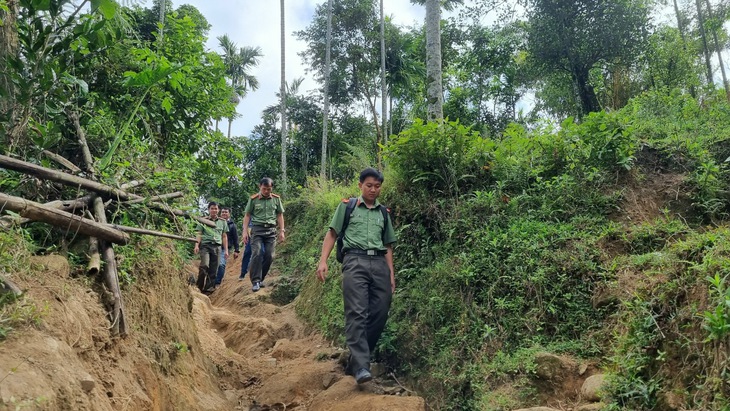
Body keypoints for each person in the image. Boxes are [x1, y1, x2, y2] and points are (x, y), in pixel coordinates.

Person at [316, 168, 396, 385]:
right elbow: (332, 233)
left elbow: (388, 245)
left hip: (379, 263)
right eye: (369, 185)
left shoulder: (383, 213)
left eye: (377, 186)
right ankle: (362, 366)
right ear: (360, 185)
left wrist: (391, 274)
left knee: (380, 311)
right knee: (357, 312)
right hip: (355, 261)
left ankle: (356, 359)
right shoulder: (347, 206)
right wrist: (323, 261)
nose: (373, 189)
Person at [242, 177, 285, 292]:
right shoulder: (253, 199)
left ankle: (261, 279)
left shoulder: (276, 199)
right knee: (257, 252)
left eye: (269, 189)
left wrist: (282, 231)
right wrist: (244, 231)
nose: (266, 191)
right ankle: (255, 281)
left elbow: (280, 215)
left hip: (271, 231)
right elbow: (247, 215)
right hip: (257, 230)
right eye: (264, 189)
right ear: (259, 187)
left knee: (270, 256)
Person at [194, 201, 229, 293]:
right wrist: (196, 245)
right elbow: (199, 233)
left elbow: (224, 236)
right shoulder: (203, 220)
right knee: (204, 265)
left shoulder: (223, 222)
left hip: (217, 247)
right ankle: (199, 287)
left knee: (214, 269)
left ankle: (208, 290)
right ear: (209, 210)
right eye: (212, 208)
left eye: (216, 208)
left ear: (218, 210)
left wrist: (226, 250)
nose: (214, 210)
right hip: (205, 246)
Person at [214, 207, 240, 286]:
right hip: (214, 246)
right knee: (213, 265)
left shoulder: (232, 225)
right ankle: (210, 282)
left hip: (225, 249)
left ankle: (217, 283)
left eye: (226, 212)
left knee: (221, 265)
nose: (224, 214)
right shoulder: (216, 222)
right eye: (223, 212)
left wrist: (236, 250)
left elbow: (236, 238)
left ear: (229, 214)